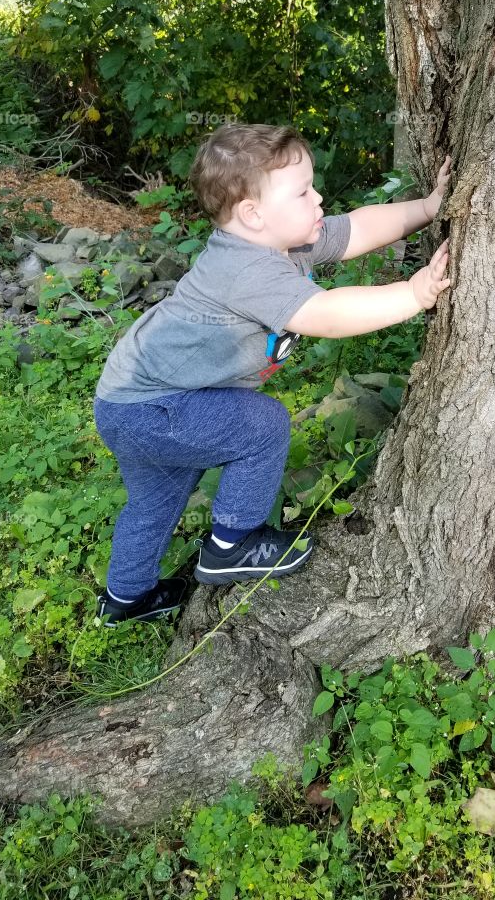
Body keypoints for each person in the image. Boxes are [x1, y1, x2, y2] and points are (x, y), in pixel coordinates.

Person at [92, 121, 451, 625]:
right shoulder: (246, 269)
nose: (319, 197)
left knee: (154, 502)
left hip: (130, 400)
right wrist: (414, 295)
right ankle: (233, 543)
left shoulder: (286, 242)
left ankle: (126, 599)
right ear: (253, 214)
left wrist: (427, 209)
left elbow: (357, 229)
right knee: (261, 425)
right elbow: (325, 315)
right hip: (152, 406)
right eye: (303, 191)